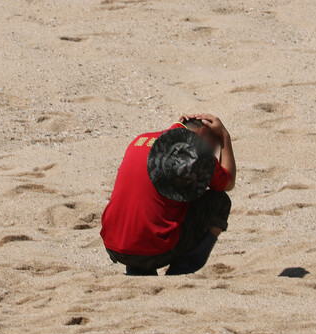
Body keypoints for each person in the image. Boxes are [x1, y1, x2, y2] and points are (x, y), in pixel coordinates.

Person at [100, 113, 236, 275]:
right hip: (155, 252)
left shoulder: (141, 139)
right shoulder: (194, 149)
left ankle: (138, 271)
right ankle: (181, 271)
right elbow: (228, 182)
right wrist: (225, 138)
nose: (212, 152)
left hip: (114, 246)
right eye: (215, 145)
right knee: (219, 201)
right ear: (203, 133)